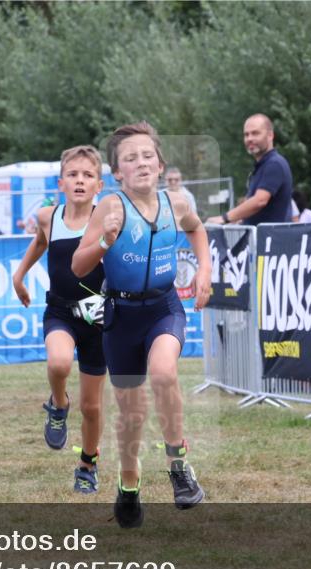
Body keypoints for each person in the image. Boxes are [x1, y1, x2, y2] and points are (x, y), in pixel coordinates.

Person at [72, 121, 211, 528]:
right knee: (132, 415)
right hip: (121, 316)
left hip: (164, 308)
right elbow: (78, 266)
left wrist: (204, 271)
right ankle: (128, 485)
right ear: (118, 172)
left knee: (165, 373)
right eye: (131, 158)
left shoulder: (177, 203)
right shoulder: (109, 208)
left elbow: (197, 230)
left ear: (160, 164)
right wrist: (105, 241)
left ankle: (178, 466)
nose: (142, 163)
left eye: (148, 155)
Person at [12, 146, 107, 494]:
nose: (80, 181)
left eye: (87, 175)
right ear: (61, 182)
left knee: (92, 407)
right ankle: (58, 403)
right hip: (61, 311)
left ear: (99, 185)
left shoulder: (107, 220)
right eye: (73, 174)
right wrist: (19, 276)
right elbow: (40, 242)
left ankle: (87, 466)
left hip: (97, 318)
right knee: (59, 362)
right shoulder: (47, 217)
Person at [206, 113, 292, 226]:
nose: (249, 138)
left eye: (255, 133)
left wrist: (225, 218)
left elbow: (260, 201)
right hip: (261, 236)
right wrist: (239, 220)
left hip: (272, 237)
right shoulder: (262, 166)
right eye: (246, 135)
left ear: (270, 135)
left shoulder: (274, 164)